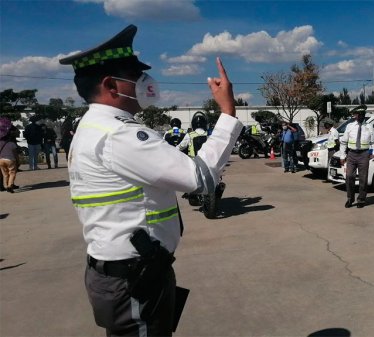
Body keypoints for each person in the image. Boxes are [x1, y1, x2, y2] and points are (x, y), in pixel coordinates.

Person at [59, 24, 242, 335]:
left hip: (127, 273)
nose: (145, 81)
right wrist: (227, 111)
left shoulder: (92, 127)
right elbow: (200, 178)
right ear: (111, 85)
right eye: (135, 75)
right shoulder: (119, 134)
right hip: (134, 278)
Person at [339, 105, 374, 208]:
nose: (361, 117)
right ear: (356, 116)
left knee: (363, 178)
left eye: (363, 115)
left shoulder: (369, 127)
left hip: (364, 155)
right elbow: (343, 142)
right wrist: (342, 156)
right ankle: (350, 199)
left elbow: (373, 142)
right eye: (359, 115)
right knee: (349, 176)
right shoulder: (350, 126)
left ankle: (361, 199)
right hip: (351, 154)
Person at [0, 118, 20, 193]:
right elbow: (15, 153)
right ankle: (9, 185)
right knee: (12, 173)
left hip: (1, 160)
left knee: (5, 174)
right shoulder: (11, 143)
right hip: (10, 159)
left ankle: (5, 185)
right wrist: (18, 160)